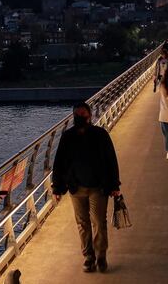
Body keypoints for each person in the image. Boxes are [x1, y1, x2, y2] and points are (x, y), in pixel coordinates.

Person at [52, 102, 121, 273]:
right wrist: (57, 187)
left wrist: (114, 185)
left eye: (82, 114)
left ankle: (101, 256)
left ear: (89, 116)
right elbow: (59, 163)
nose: (79, 117)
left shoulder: (100, 135)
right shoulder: (67, 137)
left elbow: (111, 160)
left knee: (99, 222)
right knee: (82, 223)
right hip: (76, 188)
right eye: (76, 114)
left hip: (98, 187)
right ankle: (88, 256)